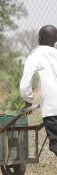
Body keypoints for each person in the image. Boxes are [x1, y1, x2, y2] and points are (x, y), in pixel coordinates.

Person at [20, 25, 57, 156]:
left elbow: (26, 82)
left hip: (52, 109)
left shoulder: (37, 53)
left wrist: (27, 100)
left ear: (40, 38)